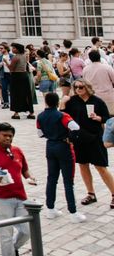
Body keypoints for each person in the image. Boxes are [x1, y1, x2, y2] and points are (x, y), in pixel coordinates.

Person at [0, 122, 45, 256]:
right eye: (4, 135)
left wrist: (30, 177)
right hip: (0, 199)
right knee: (6, 234)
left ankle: (13, 249)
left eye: (10, 136)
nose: (8, 138)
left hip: (20, 196)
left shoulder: (17, 151)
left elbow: (25, 169)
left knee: (27, 231)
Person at [62, 78, 114, 208]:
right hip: (79, 138)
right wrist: (62, 103)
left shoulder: (97, 101)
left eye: (81, 87)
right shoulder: (72, 101)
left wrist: (98, 118)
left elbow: (107, 118)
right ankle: (91, 193)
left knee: (101, 167)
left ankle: (113, 194)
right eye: (76, 87)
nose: (78, 90)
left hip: (95, 137)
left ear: (88, 88)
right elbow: (63, 117)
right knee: (83, 165)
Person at [35, 91, 81, 219]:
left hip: (50, 146)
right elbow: (75, 127)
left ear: (46, 102)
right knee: (68, 181)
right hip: (63, 146)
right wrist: (70, 138)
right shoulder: (62, 115)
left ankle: (50, 208)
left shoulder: (41, 116)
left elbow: (40, 134)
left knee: (51, 179)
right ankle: (73, 212)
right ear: (57, 102)